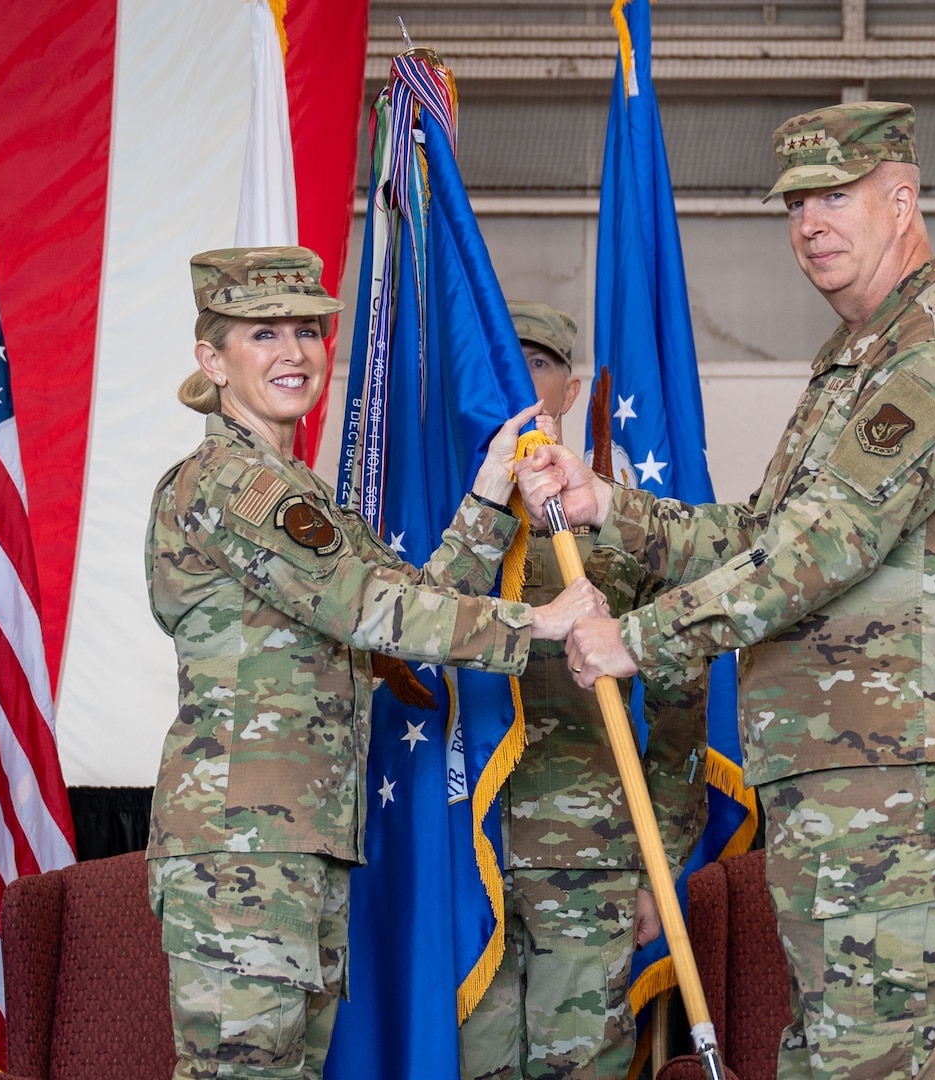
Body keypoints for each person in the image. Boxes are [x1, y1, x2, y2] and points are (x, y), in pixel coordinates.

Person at [519, 103, 935, 1079]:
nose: (808, 224)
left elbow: (824, 541)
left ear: (902, 197)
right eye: (794, 204)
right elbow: (762, 532)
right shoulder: (854, 362)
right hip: (831, 768)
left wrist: (646, 637)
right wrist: (606, 508)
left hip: (891, 773)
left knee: (875, 1063)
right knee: (826, 1057)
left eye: (834, 196)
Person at [144, 247, 605, 1080]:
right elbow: (367, 607)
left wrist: (490, 493)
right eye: (263, 334)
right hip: (244, 845)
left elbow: (411, 599)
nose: (294, 353)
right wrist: (537, 619)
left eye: (308, 331)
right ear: (213, 359)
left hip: (301, 840)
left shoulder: (302, 496)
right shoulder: (234, 485)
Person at [457, 302, 709, 1080]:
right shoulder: (455, 523)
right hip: (472, 856)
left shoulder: (618, 530)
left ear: (568, 391)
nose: (516, 379)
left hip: (588, 859)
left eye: (534, 364)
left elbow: (679, 710)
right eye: (502, 362)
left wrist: (656, 866)